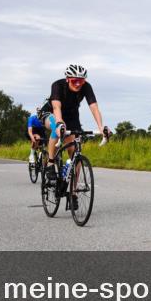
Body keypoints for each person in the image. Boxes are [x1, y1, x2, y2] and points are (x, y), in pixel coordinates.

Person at [44, 64, 110, 208]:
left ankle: (73, 192)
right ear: (68, 79)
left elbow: (94, 107)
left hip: (72, 115)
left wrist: (101, 127)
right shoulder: (57, 85)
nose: (79, 84)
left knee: (75, 156)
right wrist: (61, 122)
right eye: (75, 81)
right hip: (51, 114)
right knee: (57, 126)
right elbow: (56, 107)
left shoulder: (86, 87)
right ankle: (50, 162)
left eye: (82, 81)